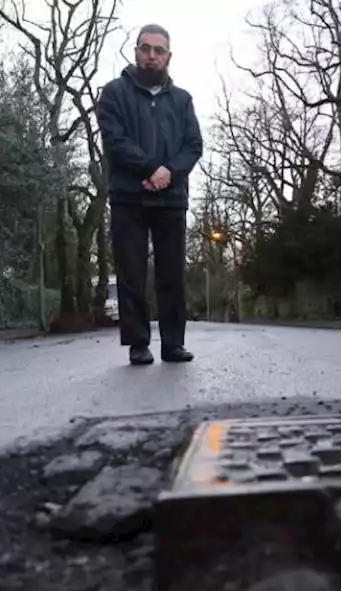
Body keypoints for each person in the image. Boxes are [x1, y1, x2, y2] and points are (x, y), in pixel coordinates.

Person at [95, 23, 203, 366]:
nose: (151, 55)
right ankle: (138, 343)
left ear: (168, 56)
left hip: (171, 198)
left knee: (171, 274)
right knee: (131, 274)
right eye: (145, 48)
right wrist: (148, 170)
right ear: (136, 51)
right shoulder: (113, 93)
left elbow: (193, 145)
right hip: (129, 197)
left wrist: (168, 173)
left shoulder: (183, 100)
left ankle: (173, 344)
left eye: (158, 50)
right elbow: (115, 140)